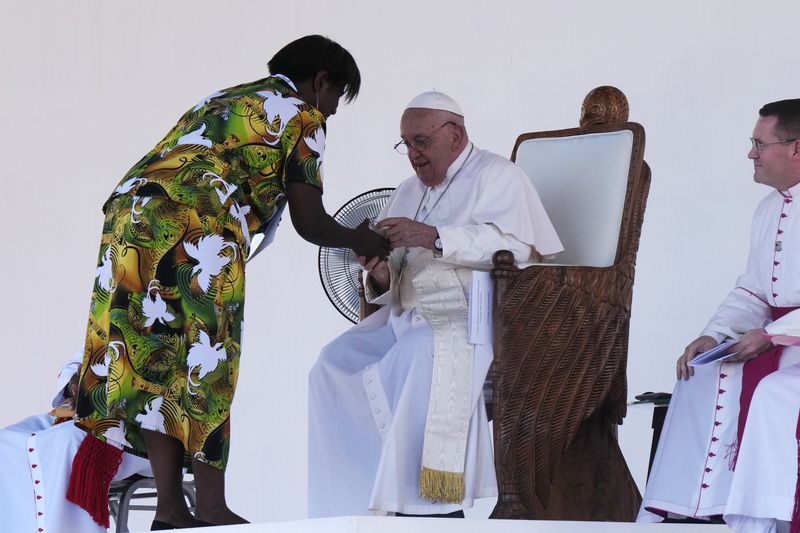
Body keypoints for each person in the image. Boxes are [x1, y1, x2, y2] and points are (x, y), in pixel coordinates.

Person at [69, 34, 390, 531]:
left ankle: (171, 509)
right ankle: (213, 508)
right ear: (320, 81)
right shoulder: (302, 115)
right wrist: (362, 238)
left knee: (154, 357)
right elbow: (310, 221)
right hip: (197, 224)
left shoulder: (223, 100)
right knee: (206, 357)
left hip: (129, 220)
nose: (332, 111)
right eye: (336, 98)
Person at [308, 91, 563, 517]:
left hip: (472, 317)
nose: (412, 154)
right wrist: (378, 270)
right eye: (405, 143)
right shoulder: (408, 190)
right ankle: (352, 500)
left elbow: (516, 248)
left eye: (421, 142)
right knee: (331, 363)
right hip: (407, 315)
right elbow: (396, 275)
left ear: (456, 136)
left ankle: (423, 506)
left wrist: (432, 235)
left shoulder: (497, 176)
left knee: (414, 355)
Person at [637, 99, 800, 533]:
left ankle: (768, 518)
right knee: (700, 374)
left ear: (796, 148)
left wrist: (772, 334)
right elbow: (753, 288)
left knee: (773, 393)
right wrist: (714, 335)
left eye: (759, 143)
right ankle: (690, 511)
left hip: (792, 343)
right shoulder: (769, 208)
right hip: (780, 338)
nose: (751, 153)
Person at [2, 354, 152, 533]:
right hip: (86, 407)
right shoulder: (100, 325)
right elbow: (79, 360)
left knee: (69, 439)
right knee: (7, 440)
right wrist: (75, 384)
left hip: (136, 423)